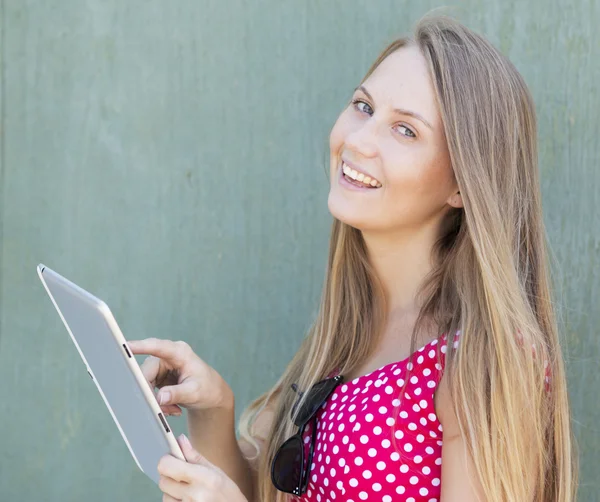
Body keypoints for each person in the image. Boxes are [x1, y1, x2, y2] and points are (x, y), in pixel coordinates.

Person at [127, 13, 578, 502]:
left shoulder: (480, 360)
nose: (359, 140)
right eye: (363, 107)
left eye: (405, 131)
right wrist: (213, 408)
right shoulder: (342, 336)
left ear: (461, 184)